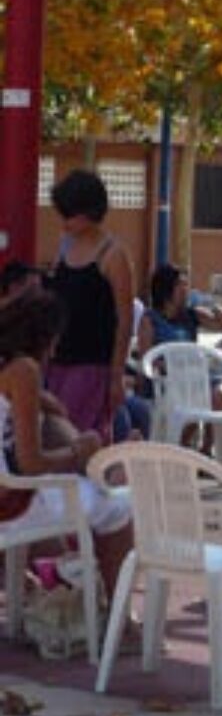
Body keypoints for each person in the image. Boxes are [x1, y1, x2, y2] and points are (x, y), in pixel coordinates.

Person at [0, 289, 133, 602]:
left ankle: (100, 469)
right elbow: (31, 463)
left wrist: (46, 405)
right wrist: (77, 451)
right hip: (9, 507)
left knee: (53, 426)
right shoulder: (24, 371)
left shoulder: (10, 370)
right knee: (117, 510)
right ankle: (120, 618)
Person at [45, 169, 135, 442]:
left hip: (92, 364)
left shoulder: (114, 255)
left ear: (88, 211)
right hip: (58, 361)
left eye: (70, 214)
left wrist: (117, 374)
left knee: (79, 438)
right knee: (52, 434)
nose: (64, 221)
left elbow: (124, 319)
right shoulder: (64, 248)